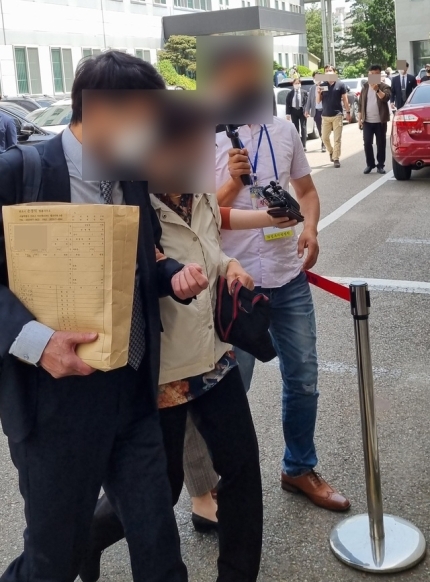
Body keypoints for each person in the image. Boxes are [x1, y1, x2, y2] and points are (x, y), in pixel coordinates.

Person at [0, 51, 210, 582]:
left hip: (133, 392)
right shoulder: (19, 173)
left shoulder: (130, 175)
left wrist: (171, 276)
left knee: (159, 548)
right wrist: (35, 341)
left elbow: (144, 258)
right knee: (53, 559)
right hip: (53, 405)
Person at [79, 193, 268, 582]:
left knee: (242, 469)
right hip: (163, 368)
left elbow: (210, 249)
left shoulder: (200, 191)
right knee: (161, 485)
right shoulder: (128, 195)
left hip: (215, 355)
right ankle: (87, 535)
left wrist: (230, 265)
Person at [215, 118, 351, 512]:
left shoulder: (284, 130)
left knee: (304, 379)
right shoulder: (203, 136)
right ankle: (227, 483)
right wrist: (233, 183)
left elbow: (305, 191)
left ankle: (298, 468)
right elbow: (197, 212)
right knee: (230, 390)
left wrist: (311, 229)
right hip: (235, 284)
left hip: (287, 276)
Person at [358, 64, 391, 175]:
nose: (373, 76)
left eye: (376, 74)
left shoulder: (384, 86)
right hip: (367, 121)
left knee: (381, 143)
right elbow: (360, 104)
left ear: (380, 75)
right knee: (367, 143)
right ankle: (370, 164)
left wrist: (377, 90)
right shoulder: (365, 87)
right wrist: (359, 119)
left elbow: (385, 98)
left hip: (380, 121)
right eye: (371, 74)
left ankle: (380, 165)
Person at [317, 64, 351, 168]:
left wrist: (348, 112)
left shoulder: (340, 84)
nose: (328, 72)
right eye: (326, 71)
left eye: (330, 70)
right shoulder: (322, 85)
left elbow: (345, 99)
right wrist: (318, 92)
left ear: (334, 72)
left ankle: (336, 158)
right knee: (324, 138)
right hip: (325, 116)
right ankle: (331, 152)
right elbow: (318, 101)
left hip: (337, 115)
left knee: (337, 139)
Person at [305, 71, 325, 152]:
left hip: (325, 110)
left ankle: (324, 143)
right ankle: (323, 142)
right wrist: (307, 110)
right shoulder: (312, 88)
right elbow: (309, 100)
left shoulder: (325, 86)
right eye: (315, 77)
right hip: (316, 111)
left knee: (325, 128)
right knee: (319, 128)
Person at [286, 77, 308, 151]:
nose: (297, 84)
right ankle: (298, 146)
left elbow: (306, 102)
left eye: (298, 83)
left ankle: (304, 145)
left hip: (302, 111)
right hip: (294, 111)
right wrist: (288, 114)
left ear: (300, 84)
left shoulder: (304, 92)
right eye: (295, 83)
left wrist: (306, 111)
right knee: (296, 129)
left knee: (303, 127)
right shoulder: (290, 93)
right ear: (293, 84)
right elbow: (288, 104)